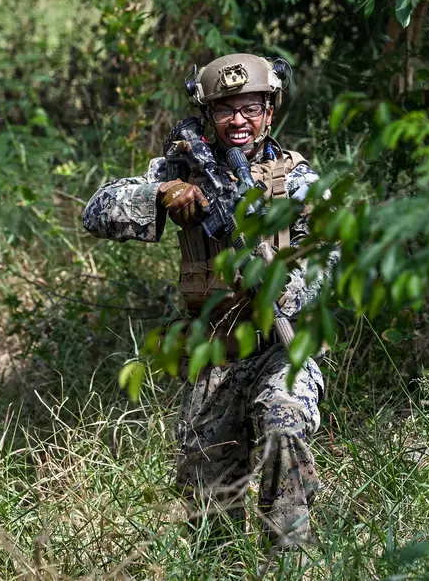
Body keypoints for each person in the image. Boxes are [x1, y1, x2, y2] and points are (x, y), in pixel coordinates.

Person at [81, 54, 329, 548]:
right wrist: (162, 195)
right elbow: (96, 211)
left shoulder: (298, 181)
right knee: (209, 513)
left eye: (250, 108)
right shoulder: (183, 165)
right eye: (225, 109)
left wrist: (288, 288)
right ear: (207, 113)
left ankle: (291, 558)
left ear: (270, 112)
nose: (238, 121)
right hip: (214, 354)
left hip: (281, 347)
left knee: (285, 423)